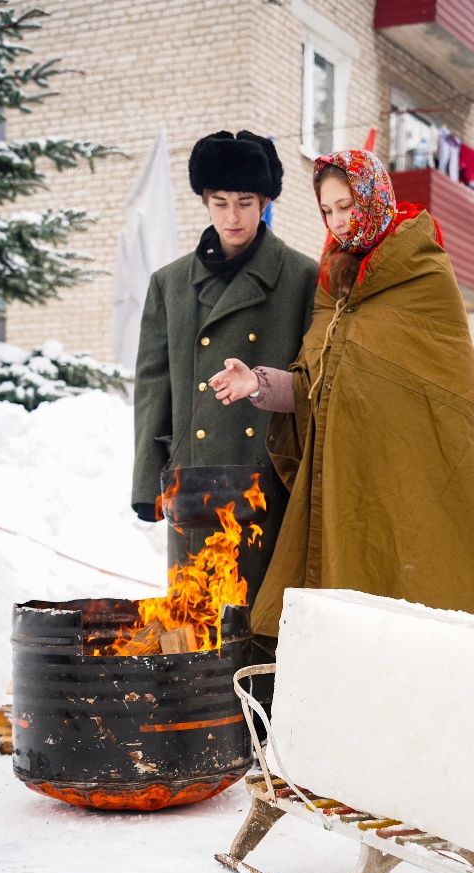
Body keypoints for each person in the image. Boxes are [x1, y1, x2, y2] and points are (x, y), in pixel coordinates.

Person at [208, 148, 474, 640]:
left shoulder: (424, 274)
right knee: (345, 620)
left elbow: (448, 399)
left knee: (420, 615)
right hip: (344, 483)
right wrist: (259, 384)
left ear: (373, 198)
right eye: (327, 211)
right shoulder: (333, 282)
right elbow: (318, 388)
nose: (337, 222)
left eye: (347, 207)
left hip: (412, 482)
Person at [131, 130, 318, 600]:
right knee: (195, 620)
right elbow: (155, 385)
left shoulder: (302, 278)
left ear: (265, 201)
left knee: (260, 622)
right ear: (205, 202)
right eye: (219, 202)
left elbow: (316, 381)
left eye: (245, 202)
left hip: (268, 484)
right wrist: (145, 480)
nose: (232, 217)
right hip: (194, 479)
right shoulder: (170, 284)